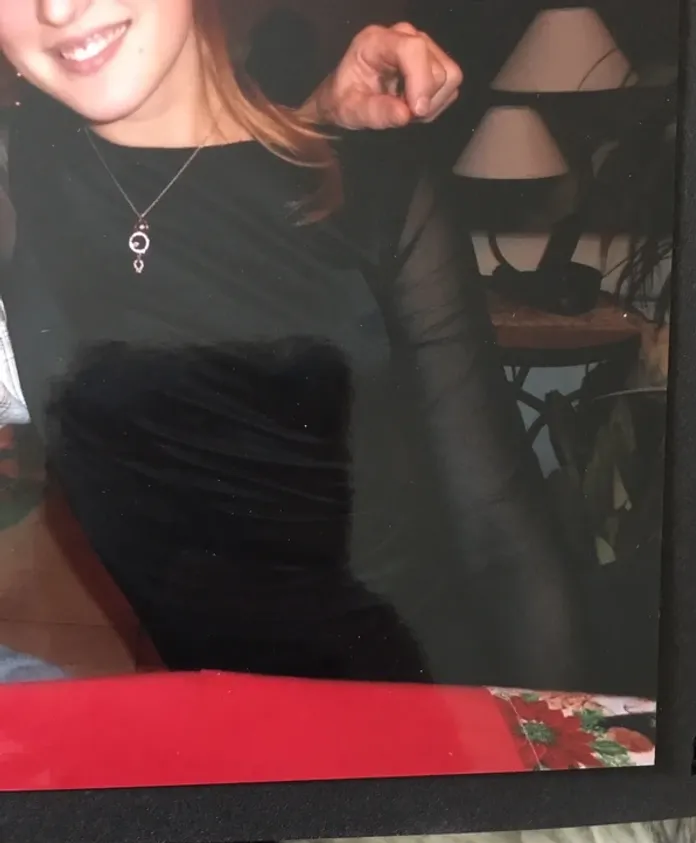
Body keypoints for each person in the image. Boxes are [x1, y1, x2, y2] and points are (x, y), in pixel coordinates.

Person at [0, 0, 587, 690]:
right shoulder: (21, 182)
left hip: (419, 702)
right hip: (225, 716)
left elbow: (498, 533)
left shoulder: (368, 189)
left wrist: (568, 749)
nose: (59, 8)